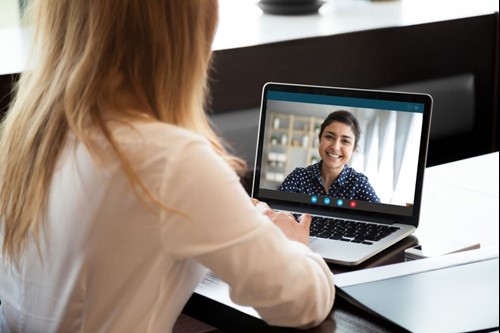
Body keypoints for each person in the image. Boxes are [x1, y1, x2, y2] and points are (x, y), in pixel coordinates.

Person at [0, 1, 335, 332]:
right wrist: (291, 245)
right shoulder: (169, 160)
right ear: (184, 33)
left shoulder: (27, 138)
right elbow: (299, 303)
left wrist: (230, 224)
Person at [279, 110, 380, 203]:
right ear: (320, 139)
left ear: (353, 149)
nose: (335, 147)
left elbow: (381, 219)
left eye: (345, 141)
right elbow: (272, 213)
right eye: (329, 137)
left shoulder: (359, 184)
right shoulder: (298, 177)